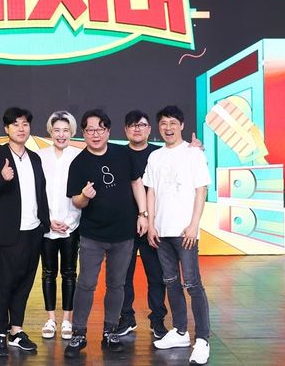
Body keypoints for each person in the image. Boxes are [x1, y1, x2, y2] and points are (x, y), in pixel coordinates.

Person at [63, 109, 148, 359]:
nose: (95, 134)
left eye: (100, 129)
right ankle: (78, 334)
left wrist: (143, 214)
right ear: (83, 133)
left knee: (116, 284)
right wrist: (84, 196)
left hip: (124, 234)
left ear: (108, 131)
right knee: (86, 284)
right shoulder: (79, 163)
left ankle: (110, 332)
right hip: (93, 236)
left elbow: (136, 183)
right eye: (90, 130)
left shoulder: (123, 154)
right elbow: (76, 201)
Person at [144, 106, 211, 365]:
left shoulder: (193, 154)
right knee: (170, 282)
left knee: (192, 284)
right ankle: (181, 331)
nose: (168, 128)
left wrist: (194, 224)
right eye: (163, 123)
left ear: (181, 125)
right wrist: (151, 224)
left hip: (185, 231)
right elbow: (151, 191)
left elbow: (201, 190)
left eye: (173, 122)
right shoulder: (155, 156)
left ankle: (202, 339)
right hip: (162, 231)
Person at [0, 107, 50, 357]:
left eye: (25, 124)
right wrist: (2, 178)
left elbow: (41, 192)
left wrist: (45, 222)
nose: (21, 129)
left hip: (32, 232)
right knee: (2, 285)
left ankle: (16, 331)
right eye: (16, 124)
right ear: (6, 129)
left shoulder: (35, 158)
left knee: (24, 284)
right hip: (6, 234)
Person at [118, 110, 168, 339]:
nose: (137, 129)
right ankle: (126, 318)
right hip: (124, 226)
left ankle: (157, 320)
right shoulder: (118, 154)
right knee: (123, 276)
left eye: (141, 125)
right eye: (132, 125)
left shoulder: (160, 155)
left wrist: (195, 149)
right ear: (125, 130)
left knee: (156, 275)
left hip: (154, 225)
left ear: (149, 129)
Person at [38, 111, 82, 340]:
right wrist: (48, 221)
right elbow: (37, 192)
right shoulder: (40, 156)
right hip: (46, 226)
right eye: (57, 130)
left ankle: (66, 320)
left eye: (66, 130)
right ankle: (50, 319)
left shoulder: (79, 156)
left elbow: (82, 192)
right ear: (50, 132)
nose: (61, 134)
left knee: (69, 273)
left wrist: (69, 221)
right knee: (47, 272)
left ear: (72, 132)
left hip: (70, 226)